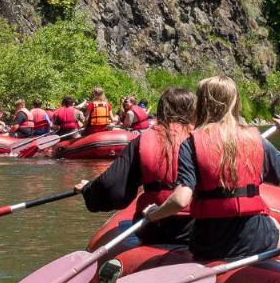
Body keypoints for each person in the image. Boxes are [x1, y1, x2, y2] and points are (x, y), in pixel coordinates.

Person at [143, 76, 280, 262]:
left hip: (208, 243)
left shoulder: (191, 143)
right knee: (275, 230)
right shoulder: (254, 138)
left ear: (201, 103)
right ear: (235, 102)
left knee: (270, 224)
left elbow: (180, 199)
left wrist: (155, 214)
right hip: (252, 236)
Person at [79, 87, 198, 248]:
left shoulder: (141, 141)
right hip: (201, 227)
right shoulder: (205, 139)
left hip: (155, 227)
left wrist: (88, 189)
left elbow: (112, 187)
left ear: (161, 111)